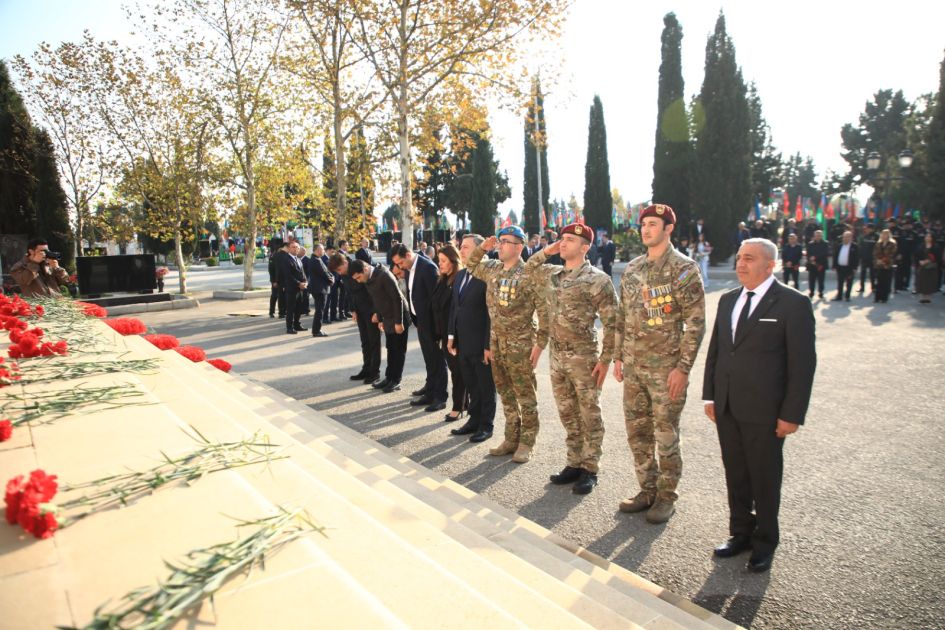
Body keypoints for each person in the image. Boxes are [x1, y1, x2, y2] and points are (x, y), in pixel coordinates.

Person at [702, 238, 817, 573]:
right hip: (727, 405)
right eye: (739, 257)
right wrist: (711, 396)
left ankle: (765, 541)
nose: (741, 264)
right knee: (736, 473)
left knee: (764, 477)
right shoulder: (728, 300)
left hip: (766, 411)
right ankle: (740, 532)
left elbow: (802, 364)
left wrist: (791, 414)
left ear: (770, 265)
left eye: (749, 258)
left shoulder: (793, 304)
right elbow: (717, 352)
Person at [613, 204, 705, 524]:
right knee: (637, 432)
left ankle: (667, 496)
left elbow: (695, 323)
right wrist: (618, 357)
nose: (646, 229)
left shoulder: (683, 269)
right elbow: (622, 316)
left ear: (668, 229)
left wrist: (683, 368)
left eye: (653, 224)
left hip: (666, 370)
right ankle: (647, 489)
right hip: (634, 367)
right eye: (644, 224)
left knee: (665, 434)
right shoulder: (633, 268)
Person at [526, 222, 618, 494]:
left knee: (589, 413)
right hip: (557, 356)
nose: (563, 243)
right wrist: (548, 250)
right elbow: (528, 268)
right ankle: (574, 462)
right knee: (567, 412)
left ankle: (590, 468)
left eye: (570, 240)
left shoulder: (598, 280)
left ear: (585, 247)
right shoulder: (553, 274)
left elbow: (613, 323)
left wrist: (606, 360)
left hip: (583, 357)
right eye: (562, 238)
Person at [466, 226, 549, 455]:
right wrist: (483, 248)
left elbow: (544, 312)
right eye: (500, 241)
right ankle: (511, 438)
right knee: (506, 393)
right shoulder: (493, 268)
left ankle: (527, 442)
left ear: (519, 247)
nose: (500, 245)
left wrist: (540, 345)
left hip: (521, 345)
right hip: (497, 343)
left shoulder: (529, 273)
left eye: (506, 242)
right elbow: (470, 265)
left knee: (525, 395)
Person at [448, 234, 497, 438]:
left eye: (466, 247)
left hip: (481, 343)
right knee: (471, 384)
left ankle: (486, 425)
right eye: (461, 246)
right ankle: (473, 420)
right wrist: (451, 335)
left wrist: (488, 345)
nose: (461, 251)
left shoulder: (488, 276)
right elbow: (455, 308)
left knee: (485, 386)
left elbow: (491, 314)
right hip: (463, 341)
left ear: (480, 250)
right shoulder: (460, 275)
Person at [391, 244, 448, 410]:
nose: (400, 267)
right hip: (421, 321)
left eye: (400, 262)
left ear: (408, 255)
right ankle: (430, 391)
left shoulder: (428, 268)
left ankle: (440, 397)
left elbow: (436, 300)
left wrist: (437, 329)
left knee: (437, 361)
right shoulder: (410, 268)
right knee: (429, 359)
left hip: (432, 324)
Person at [350, 259, 408, 393]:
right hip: (387, 317)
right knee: (390, 348)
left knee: (398, 350)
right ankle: (389, 378)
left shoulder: (384, 275)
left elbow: (397, 298)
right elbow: (376, 299)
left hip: (398, 316)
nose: (358, 281)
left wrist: (399, 322)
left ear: (365, 269)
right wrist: (380, 317)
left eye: (358, 277)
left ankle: (396, 380)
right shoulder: (368, 279)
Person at [430, 244, 467, 420]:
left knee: (458, 372)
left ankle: (458, 407)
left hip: (455, 335)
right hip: (443, 334)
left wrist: (453, 337)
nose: (440, 264)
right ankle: (464, 404)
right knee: (455, 370)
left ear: (454, 261)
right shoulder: (442, 280)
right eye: (439, 260)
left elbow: (456, 311)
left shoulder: (459, 279)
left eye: (444, 261)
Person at [278, 241, 308, 334]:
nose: (296, 249)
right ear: (289, 248)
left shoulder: (298, 259)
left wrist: (305, 282)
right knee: (291, 309)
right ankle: (289, 327)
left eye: (297, 247)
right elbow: (288, 275)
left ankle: (297, 324)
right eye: (293, 247)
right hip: (291, 288)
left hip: (301, 288)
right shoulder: (286, 259)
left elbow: (302, 273)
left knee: (299, 308)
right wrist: (299, 283)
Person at [307, 244, 333, 337]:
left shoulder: (316, 259)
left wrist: (331, 277)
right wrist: (331, 280)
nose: (324, 251)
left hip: (319, 288)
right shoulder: (315, 260)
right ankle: (316, 331)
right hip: (319, 289)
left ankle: (316, 329)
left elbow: (326, 271)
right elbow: (324, 273)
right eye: (322, 250)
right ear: (317, 250)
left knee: (320, 309)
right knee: (320, 310)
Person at [832, 231, 860, 301]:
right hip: (840, 267)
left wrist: (855, 268)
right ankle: (839, 296)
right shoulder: (839, 246)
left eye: (848, 237)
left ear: (851, 238)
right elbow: (835, 256)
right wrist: (834, 266)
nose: (846, 238)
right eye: (844, 237)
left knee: (849, 282)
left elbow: (857, 258)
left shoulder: (854, 246)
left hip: (850, 268)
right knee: (840, 282)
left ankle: (847, 296)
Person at [873, 229, 897, 303]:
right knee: (879, 281)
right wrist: (878, 260)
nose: (884, 235)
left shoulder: (892, 243)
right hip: (879, 265)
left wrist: (884, 261)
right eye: (883, 234)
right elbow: (875, 253)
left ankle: (884, 298)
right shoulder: (878, 243)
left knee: (886, 281)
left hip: (888, 265)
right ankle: (877, 297)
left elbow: (892, 254)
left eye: (886, 234)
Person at [915, 233, 939, 304]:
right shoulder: (921, 246)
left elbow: (938, 257)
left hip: (931, 267)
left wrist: (929, 261)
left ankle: (928, 297)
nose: (928, 238)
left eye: (929, 237)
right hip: (922, 266)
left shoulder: (935, 246)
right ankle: (922, 297)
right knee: (922, 281)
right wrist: (920, 261)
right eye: (927, 237)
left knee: (930, 282)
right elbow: (916, 255)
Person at [806, 230, 829, 299]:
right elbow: (808, 253)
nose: (818, 237)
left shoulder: (825, 243)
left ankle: (821, 292)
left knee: (821, 280)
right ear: (814, 236)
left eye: (819, 235)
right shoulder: (810, 244)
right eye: (816, 235)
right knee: (811, 280)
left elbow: (825, 253)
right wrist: (810, 259)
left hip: (821, 265)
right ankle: (811, 292)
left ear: (822, 236)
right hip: (812, 265)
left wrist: (815, 257)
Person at [857, 224, 878, 295]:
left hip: (873, 258)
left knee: (873, 274)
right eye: (866, 228)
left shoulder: (876, 236)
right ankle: (862, 287)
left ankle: (873, 287)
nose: (867, 230)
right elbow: (860, 246)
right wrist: (860, 256)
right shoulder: (864, 236)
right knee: (863, 273)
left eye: (868, 228)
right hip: (864, 258)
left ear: (872, 229)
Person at [267, 238, 285, 318]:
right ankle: (271, 311)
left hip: (281, 279)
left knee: (281, 296)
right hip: (275, 279)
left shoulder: (281, 254)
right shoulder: (273, 255)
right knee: (274, 295)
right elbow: (271, 270)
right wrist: (273, 281)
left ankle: (282, 311)